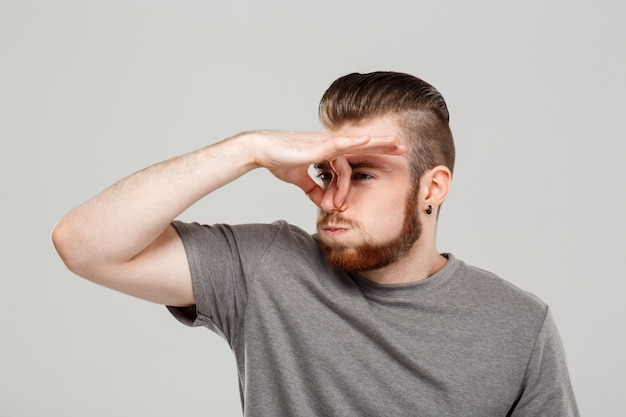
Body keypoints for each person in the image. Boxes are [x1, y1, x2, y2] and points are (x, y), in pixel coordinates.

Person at [52, 71, 579, 416]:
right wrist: (248, 150)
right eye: (328, 171)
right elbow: (84, 244)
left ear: (432, 188)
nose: (331, 199)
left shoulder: (518, 325)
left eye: (365, 174)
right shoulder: (267, 267)